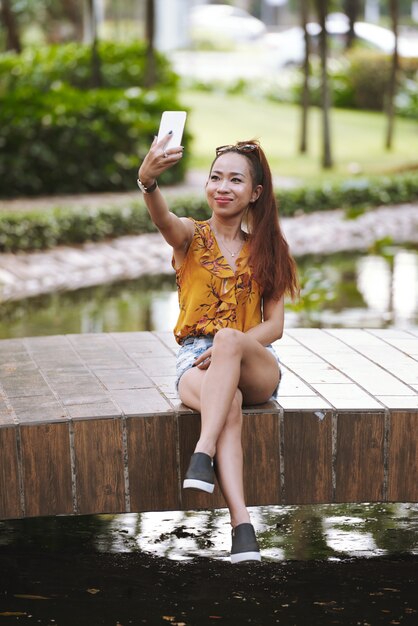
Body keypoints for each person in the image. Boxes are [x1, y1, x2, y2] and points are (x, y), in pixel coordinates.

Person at [137, 133, 298, 564]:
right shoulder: (190, 237)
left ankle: (201, 454)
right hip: (195, 359)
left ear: (255, 193)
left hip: (254, 361)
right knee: (227, 404)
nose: (222, 187)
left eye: (235, 180)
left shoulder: (268, 249)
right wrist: (148, 183)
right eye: (215, 178)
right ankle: (242, 528)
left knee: (228, 338)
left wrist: (234, 344)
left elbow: (275, 327)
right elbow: (162, 219)